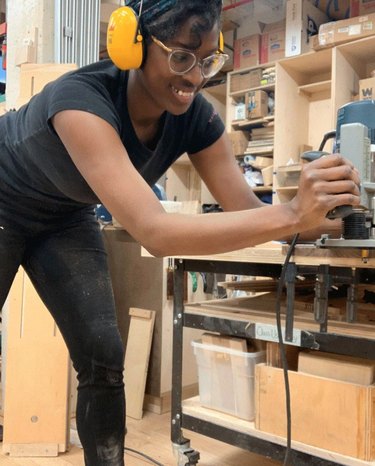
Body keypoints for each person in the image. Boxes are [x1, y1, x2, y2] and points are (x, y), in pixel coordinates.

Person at [0, 0, 360, 465]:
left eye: (208, 59)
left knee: (104, 361)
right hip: (4, 198)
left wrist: (329, 216)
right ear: (133, 46)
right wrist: (293, 213)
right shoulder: (80, 101)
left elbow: (247, 210)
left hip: (66, 217)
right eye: (182, 56)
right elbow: (157, 233)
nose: (195, 77)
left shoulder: (196, 118)